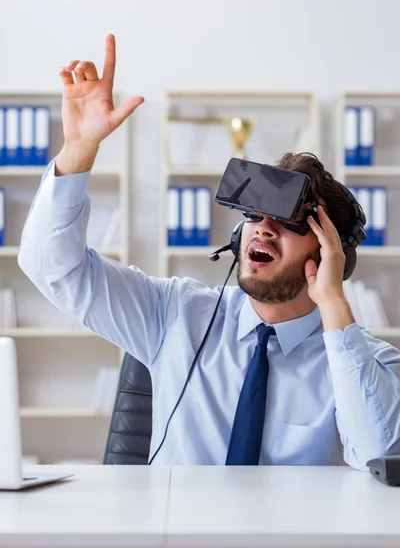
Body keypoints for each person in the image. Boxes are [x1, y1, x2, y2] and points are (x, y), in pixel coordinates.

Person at [19, 34, 400, 470]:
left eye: (292, 222)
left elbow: (380, 457)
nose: (265, 229)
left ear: (331, 256)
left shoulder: (368, 362)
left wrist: (332, 304)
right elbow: (50, 267)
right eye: (255, 215)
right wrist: (78, 150)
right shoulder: (177, 313)